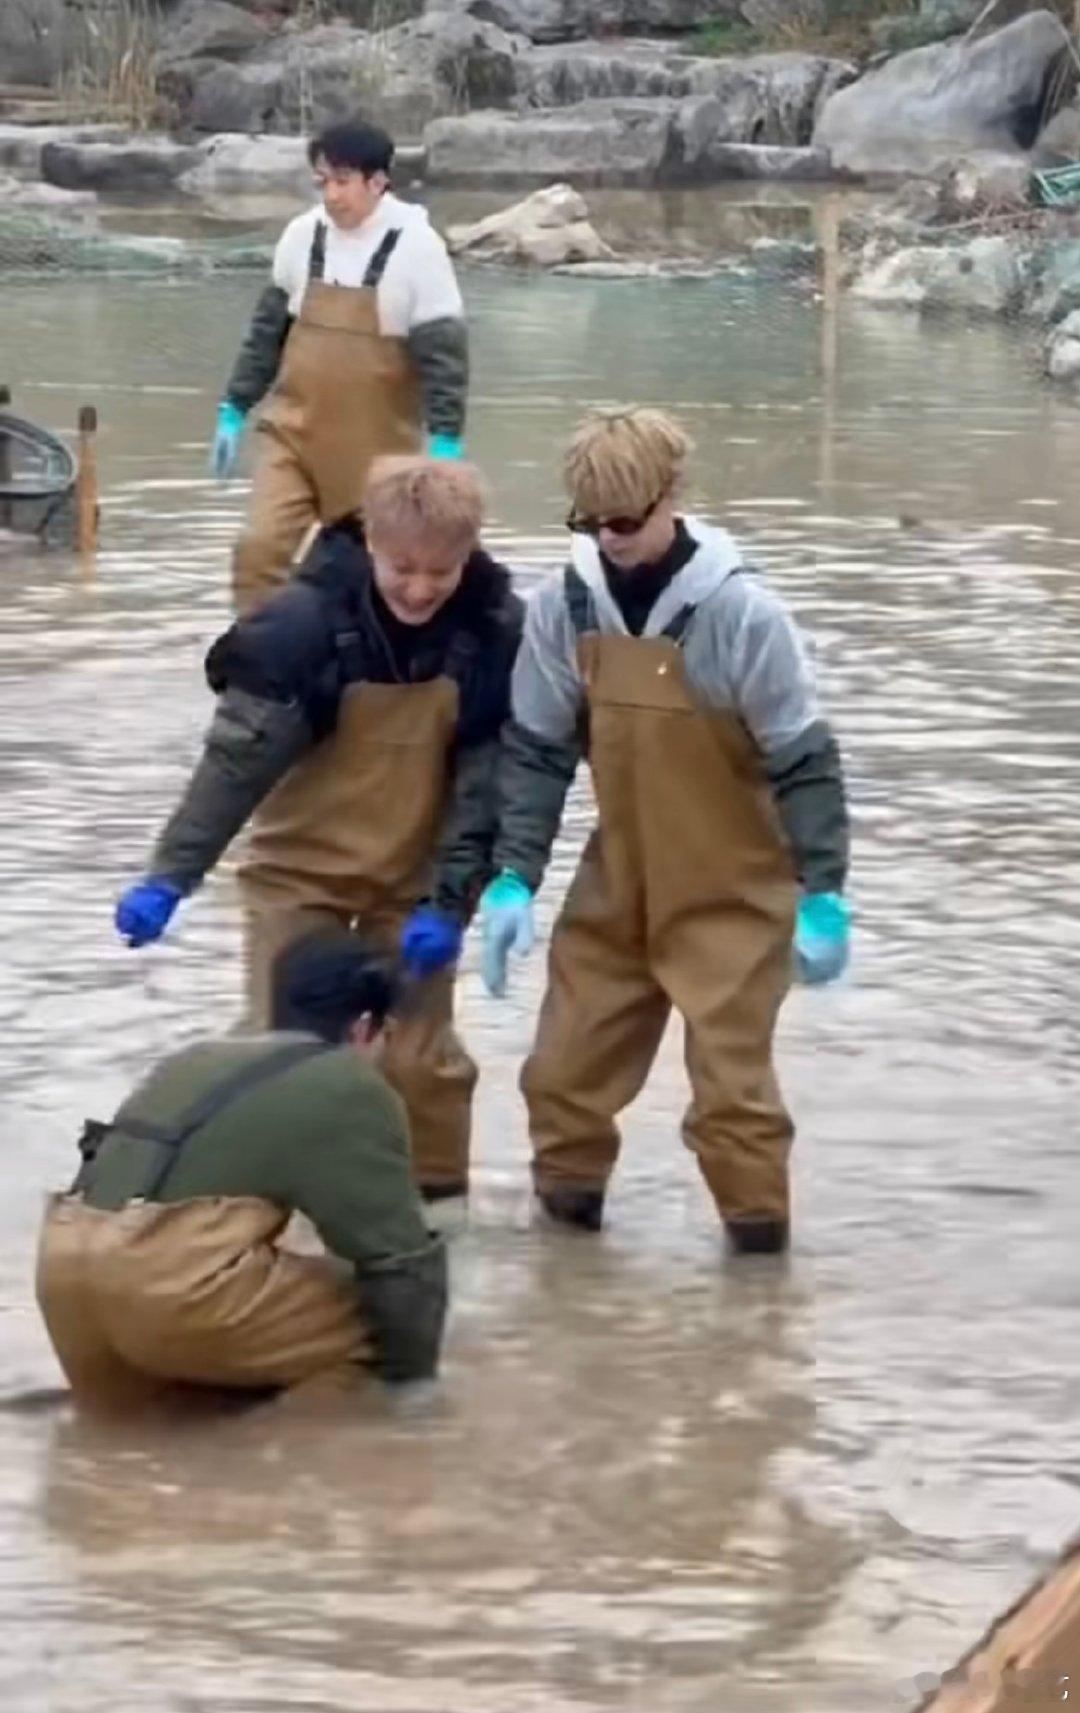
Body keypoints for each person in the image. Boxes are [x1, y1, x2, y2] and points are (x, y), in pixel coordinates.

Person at [477, 407, 851, 1253]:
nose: (608, 538)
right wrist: (514, 876)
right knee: (560, 1078)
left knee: (732, 1102)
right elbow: (537, 750)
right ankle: (570, 1284)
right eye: (589, 521)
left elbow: (805, 760)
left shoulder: (742, 612)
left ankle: (759, 1302)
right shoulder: (565, 604)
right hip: (620, 878)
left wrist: (825, 889)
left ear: (671, 495)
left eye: (626, 520)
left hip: (735, 887)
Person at [114, 456, 522, 1205]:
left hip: (417, 877)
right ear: (370, 542)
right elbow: (232, 770)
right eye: (403, 568)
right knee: (283, 1049)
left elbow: (484, 793)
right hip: (298, 872)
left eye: (443, 570)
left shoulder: (493, 630)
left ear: (470, 554)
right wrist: (170, 875)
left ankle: (434, 1219)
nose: (423, 588)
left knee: (419, 1057)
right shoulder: (299, 631)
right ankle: (261, 1211)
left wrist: (451, 898)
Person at [36, 932, 447, 1413]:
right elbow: (398, 1264)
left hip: (63, 1279)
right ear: (363, 1029)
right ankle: (302, 1469)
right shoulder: (346, 1083)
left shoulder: (195, 1059)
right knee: (379, 1326)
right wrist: (416, 1397)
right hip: (167, 1290)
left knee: (151, 1424)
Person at [211, 118, 469, 616]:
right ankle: (255, 671)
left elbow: (445, 358)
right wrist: (234, 407)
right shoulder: (301, 236)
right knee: (257, 550)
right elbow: (267, 333)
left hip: (377, 460)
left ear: (378, 181)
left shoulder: (418, 247)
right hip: (293, 439)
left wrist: (445, 441)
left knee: (365, 583)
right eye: (323, 180)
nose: (331, 194)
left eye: (343, 181)